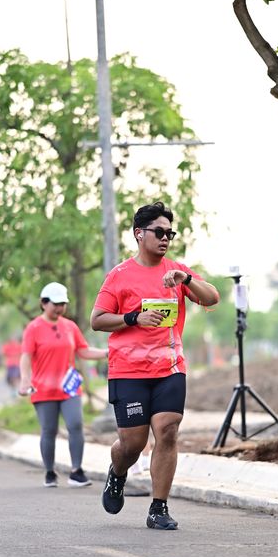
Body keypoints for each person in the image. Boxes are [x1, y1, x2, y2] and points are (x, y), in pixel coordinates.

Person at [90, 200, 220, 530]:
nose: (165, 238)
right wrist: (133, 318)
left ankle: (158, 508)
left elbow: (211, 297)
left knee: (167, 431)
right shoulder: (119, 276)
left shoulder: (176, 271)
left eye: (169, 234)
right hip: (129, 371)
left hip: (170, 368)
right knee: (133, 444)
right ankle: (117, 472)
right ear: (139, 234)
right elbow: (97, 319)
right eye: (159, 232)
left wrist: (186, 279)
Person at [19, 281, 108, 488]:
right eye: (55, 304)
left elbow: (83, 350)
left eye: (63, 304)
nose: (60, 308)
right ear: (43, 303)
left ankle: (76, 471)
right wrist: (25, 379)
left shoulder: (70, 326)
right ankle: (50, 472)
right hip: (44, 388)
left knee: (75, 425)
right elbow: (26, 356)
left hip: (69, 387)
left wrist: (107, 353)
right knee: (49, 430)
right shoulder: (33, 328)